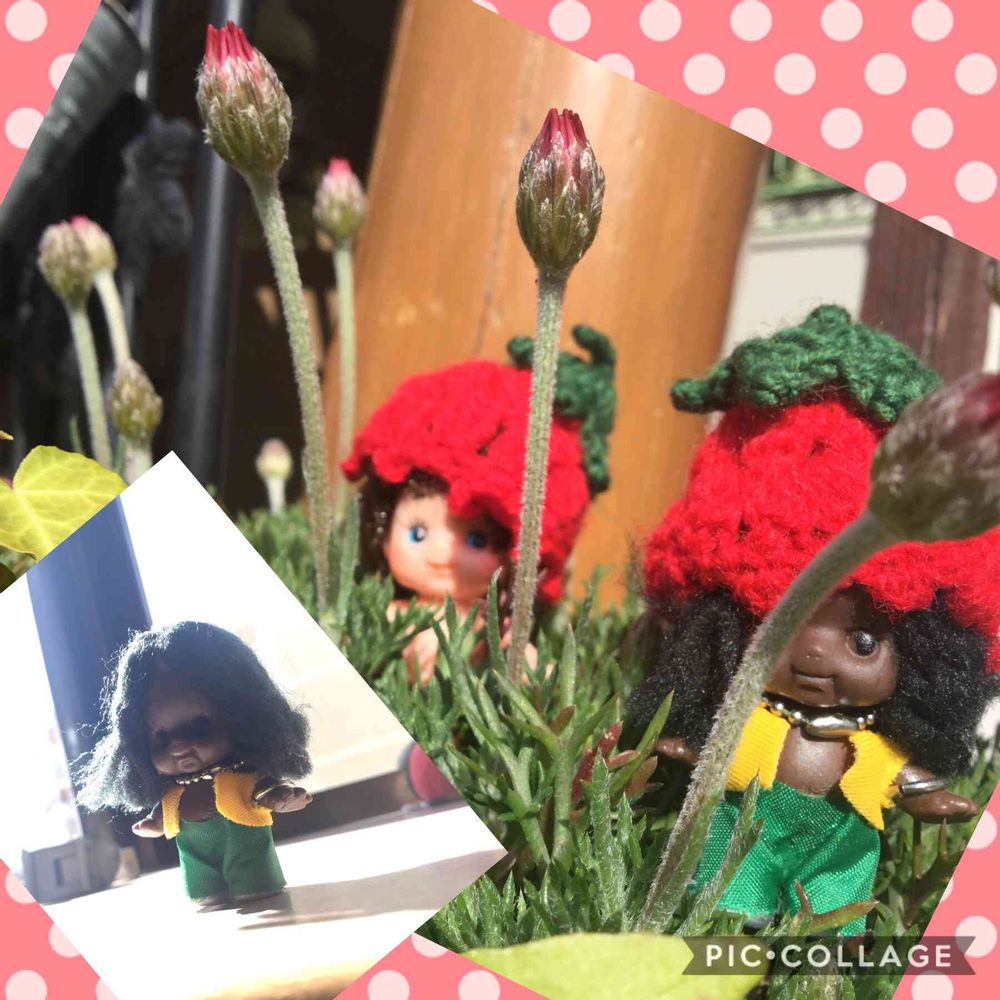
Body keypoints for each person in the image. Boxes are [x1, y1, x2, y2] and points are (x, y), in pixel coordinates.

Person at [75, 621, 312, 905]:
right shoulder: (173, 791)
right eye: (161, 738)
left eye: (199, 726)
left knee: (252, 872)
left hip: (245, 842)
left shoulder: (241, 775)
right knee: (201, 882)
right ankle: (206, 891)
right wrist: (155, 823)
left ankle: (255, 884)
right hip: (194, 851)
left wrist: (280, 797)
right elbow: (165, 812)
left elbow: (263, 789)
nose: (178, 747)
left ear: (242, 717)